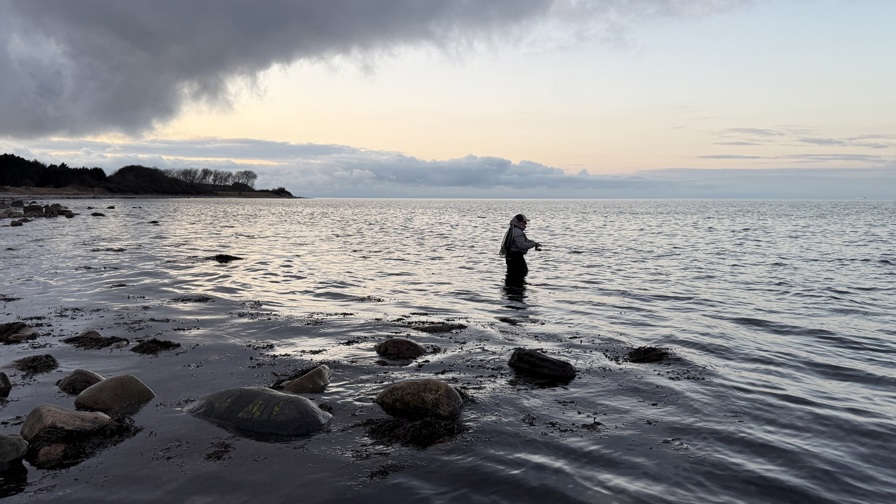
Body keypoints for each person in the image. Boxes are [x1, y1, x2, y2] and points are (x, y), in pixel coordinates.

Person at [499, 213, 541, 280]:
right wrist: (533, 244)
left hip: (512, 258)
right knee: (521, 274)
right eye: (524, 222)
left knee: (512, 276)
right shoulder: (518, 232)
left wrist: (534, 243)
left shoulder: (514, 230)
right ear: (519, 222)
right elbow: (521, 245)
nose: (526, 224)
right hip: (516, 258)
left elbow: (526, 241)